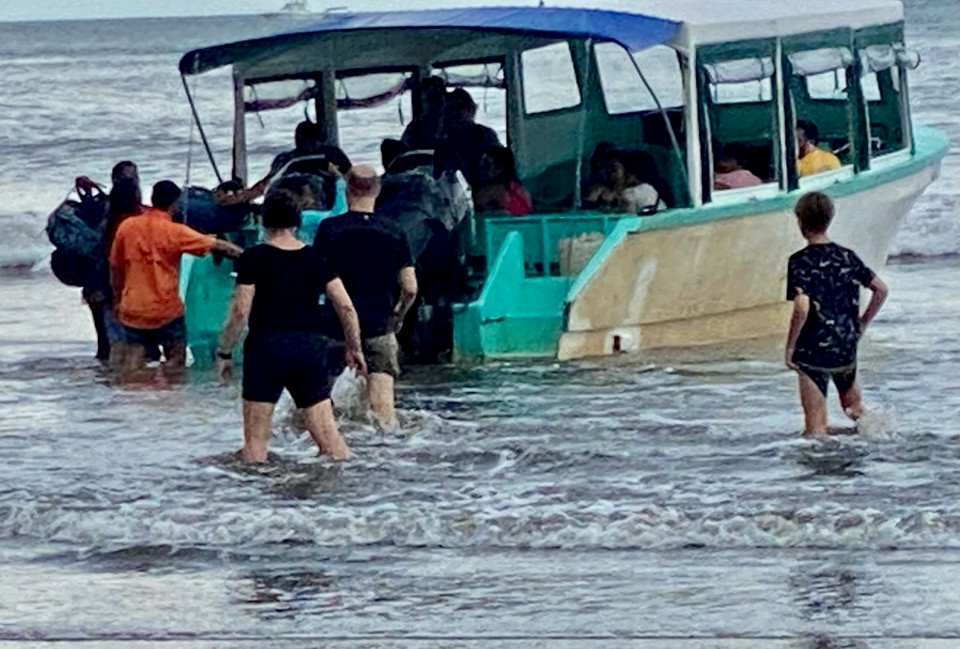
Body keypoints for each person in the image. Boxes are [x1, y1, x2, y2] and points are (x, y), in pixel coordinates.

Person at [216, 191, 366, 463]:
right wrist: (353, 347)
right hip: (309, 349)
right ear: (297, 221)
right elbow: (345, 307)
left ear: (263, 220)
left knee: (255, 446)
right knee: (331, 443)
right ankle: (351, 496)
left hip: (266, 349)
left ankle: (250, 502)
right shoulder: (316, 258)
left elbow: (240, 311)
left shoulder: (254, 257)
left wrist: (225, 351)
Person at [314, 164, 418, 431]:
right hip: (379, 325)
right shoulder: (394, 231)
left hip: (334, 326)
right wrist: (398, 316)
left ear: (348, 189)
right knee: (383, 410)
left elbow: (316, 279)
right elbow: (410, 287)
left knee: (320, 404)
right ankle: (382, 458)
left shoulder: (329, 229)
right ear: (378, 190)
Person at [110, 181, 243, 375]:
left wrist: (117, 299)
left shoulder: (127, 227)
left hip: (133, 308)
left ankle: (133, 400)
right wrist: (251, 256)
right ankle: (166, 390)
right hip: (166, 309)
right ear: (175, 203)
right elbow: (219, 246)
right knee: (176, 358)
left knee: (133, 361)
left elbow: (115, 268)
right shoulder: (175, 231)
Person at [784, 191, 889, 437]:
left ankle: (824, 471)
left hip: (813, 350)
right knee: (853, 408)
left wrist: (790, 349)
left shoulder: (799, 261)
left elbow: (801, 306)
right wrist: (862, 323)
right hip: (845, 345)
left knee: (815, 427)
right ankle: (883, 434)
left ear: (800, 222)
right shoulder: (847, 256)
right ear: (829, 219)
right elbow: (881, 290)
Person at [436, 88, 502, 187]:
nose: (455, 112)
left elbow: (500, 166)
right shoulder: (441, 140)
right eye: (450, 108)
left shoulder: (484, 135)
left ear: (471, 109)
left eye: (460, 107)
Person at [268, 170, 347, 244]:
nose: (313, 200)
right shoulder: (305, 218)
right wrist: (339, 181)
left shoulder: (266, 221)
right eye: (310, 194)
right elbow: (339, 214)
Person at [472, 146, 532, 216]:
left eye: (487, 163)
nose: (483, 168)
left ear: (500, 168)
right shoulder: (516, 186)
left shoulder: (498, 189)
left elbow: (478, 200)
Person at [400, 76, 447, 151]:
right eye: (430, 99)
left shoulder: (454, 124)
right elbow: (404, 150)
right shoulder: (415, 126)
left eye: (436, 98)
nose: (433, 103)